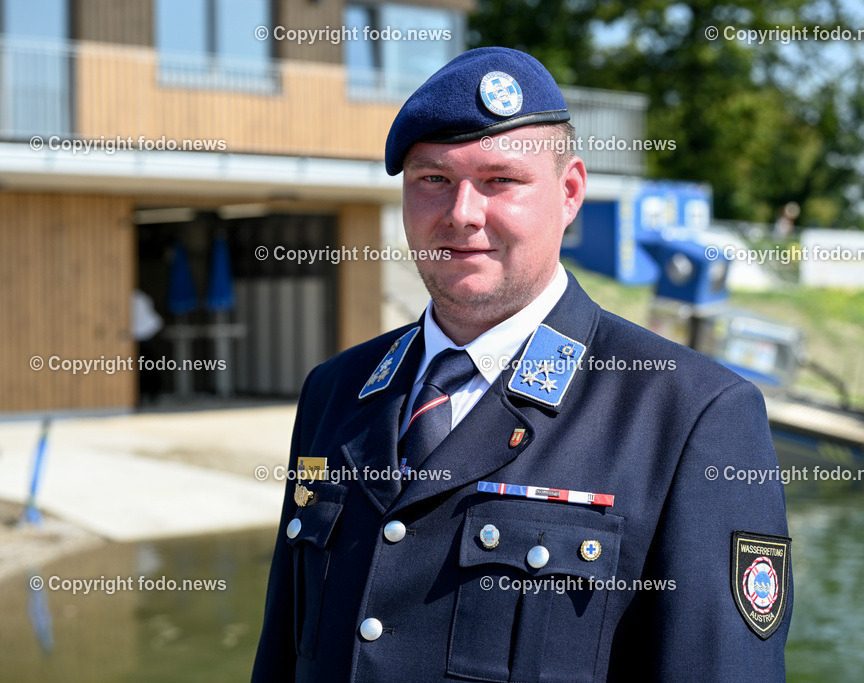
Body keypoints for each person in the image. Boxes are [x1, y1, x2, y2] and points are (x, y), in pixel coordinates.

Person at [252, 47, 792, 682]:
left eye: (500, 181)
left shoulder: (690, 413)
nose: (461, 213)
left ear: (569, 193)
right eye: (433, 180)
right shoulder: (337, 390)